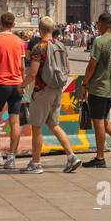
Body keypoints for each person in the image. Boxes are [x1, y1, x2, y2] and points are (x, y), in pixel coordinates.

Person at [20, 16, 81, 174]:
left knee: (37, 127)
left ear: (40, 30)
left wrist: (22, 85)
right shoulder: (61, 45)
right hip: (57, 89)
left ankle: (35, 163)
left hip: (43, 90)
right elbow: (67, 68)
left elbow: (33, 73)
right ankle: (72, 156)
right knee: (54, 124)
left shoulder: (39, 47)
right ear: (53, 29)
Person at [78, 11, 111, 168]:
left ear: (102, 24)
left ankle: (100, 157)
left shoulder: (99, 42)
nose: (97, 27)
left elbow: (91, 66)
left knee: (98, 121)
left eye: (98, 24)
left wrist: (85, 84)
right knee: (104, 119)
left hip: (100, 86)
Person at [0, 12, 27, 168]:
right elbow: (23, 66)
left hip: (0, 84)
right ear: (13, 24)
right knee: (14, 121)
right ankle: (11, 158)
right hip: (17, 84)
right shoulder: (20, 42)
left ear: (0, 23)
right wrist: (23, 83)